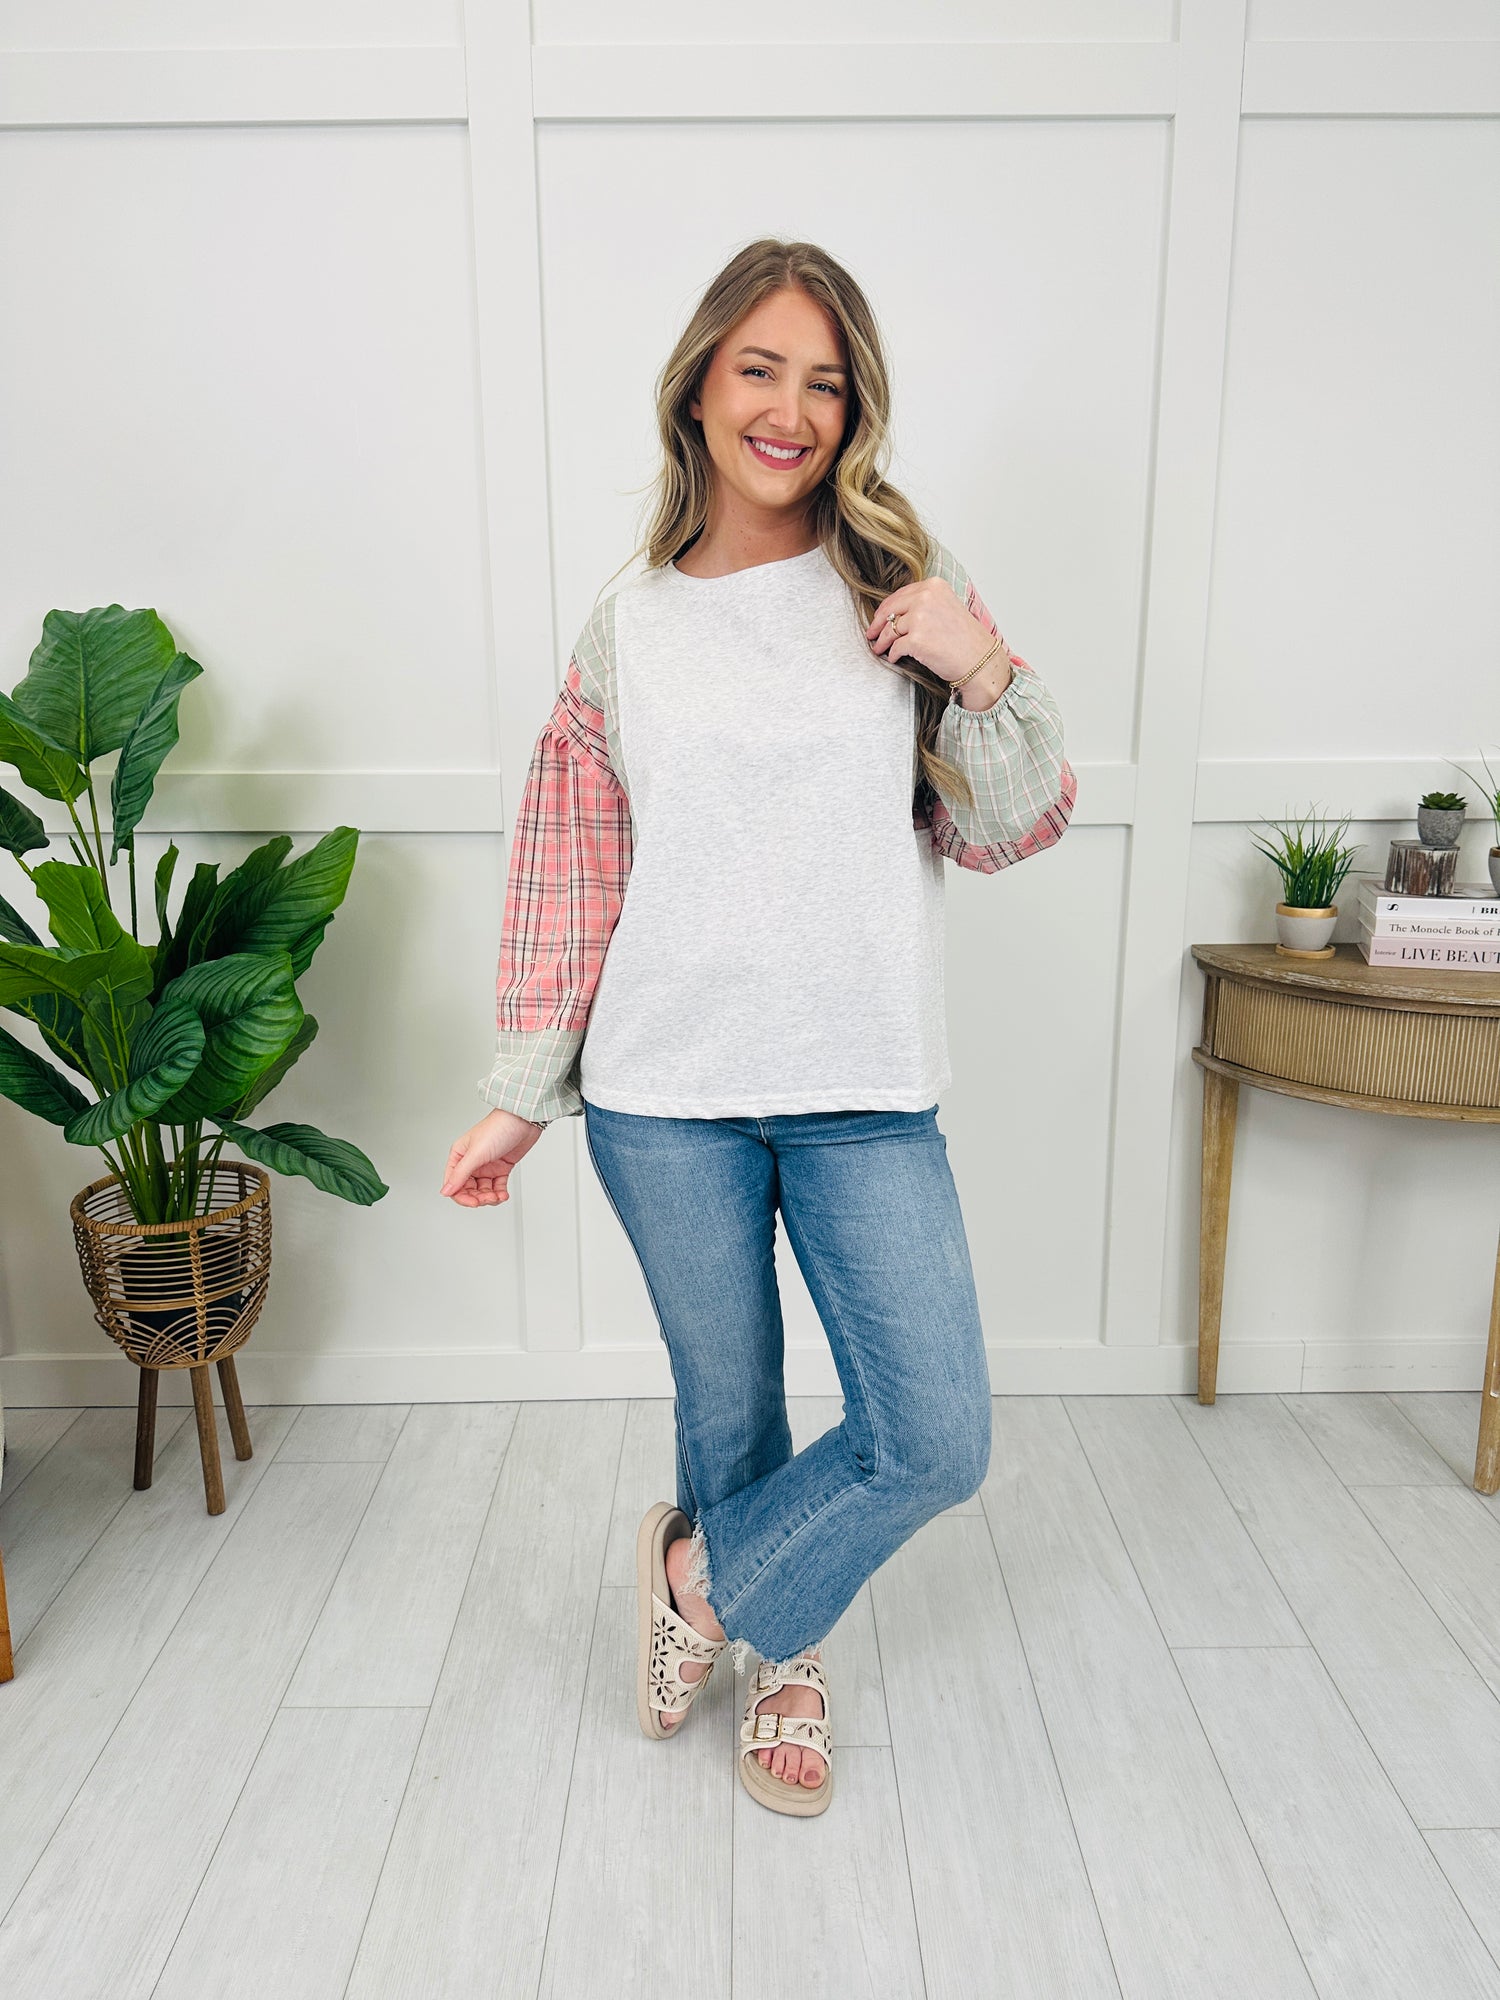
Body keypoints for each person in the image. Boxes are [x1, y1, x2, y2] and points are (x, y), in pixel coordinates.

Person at [440, 238, 1076, 1818]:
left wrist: (979, 662)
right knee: (728, 1412)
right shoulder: (629, 625)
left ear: (854, 409)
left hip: (866, 1086)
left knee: (933, 1434)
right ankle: (786, 1664)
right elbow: (574, 871)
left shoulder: (901, 585)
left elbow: (1016, 823)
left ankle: (700, 1583)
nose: (790, 411)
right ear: (700, 388)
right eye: (759, 370)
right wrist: (523, 1092)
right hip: (666, 1096)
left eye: (825, 382)